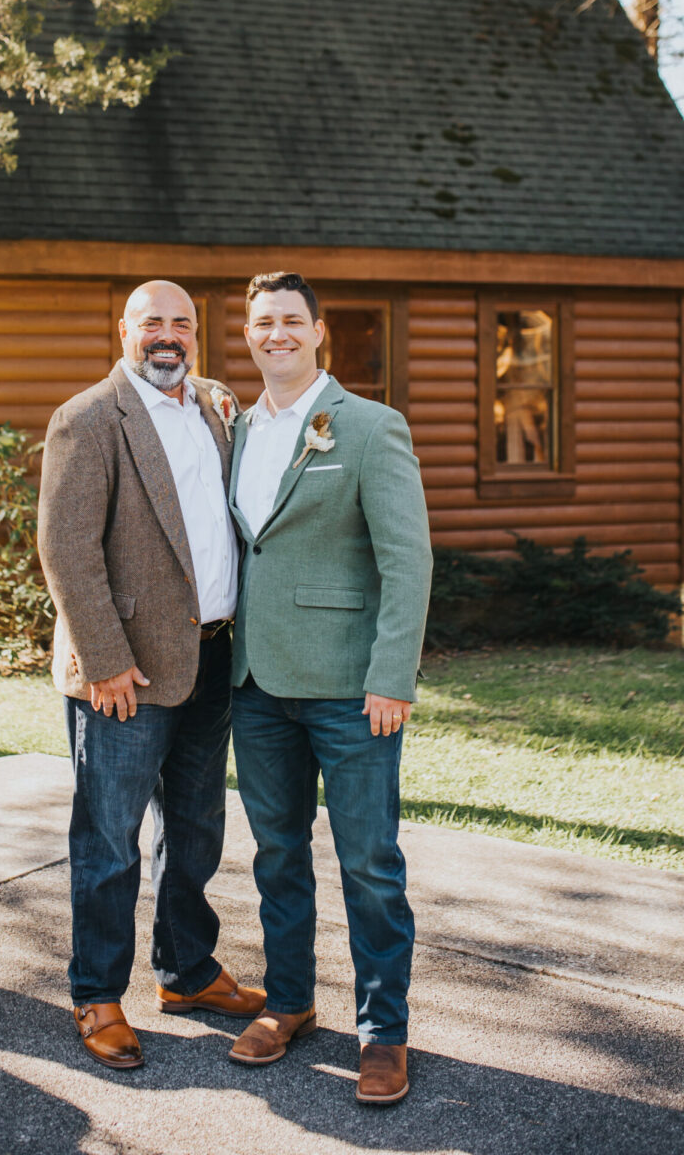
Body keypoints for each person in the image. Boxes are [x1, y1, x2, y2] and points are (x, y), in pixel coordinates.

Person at [37, 279, 265, 1071]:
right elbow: (67, 548)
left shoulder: (213, 408)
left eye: (182, 323)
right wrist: (103, 660)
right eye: (152, 322)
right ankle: (97, 993)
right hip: (123, 675)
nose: (167, 335)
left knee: (196, 831)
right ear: (125, 330)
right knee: (108, 842)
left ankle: (187, 973)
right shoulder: (90, 418)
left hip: (211, 659)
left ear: (196, 335)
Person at [226, 271, 432, 1105]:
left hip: (352, 688)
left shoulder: (371, 426)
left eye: (290, 321)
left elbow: (407, 559)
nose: (275, 333)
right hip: (254, 684)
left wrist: (392, 678)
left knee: (370, 865)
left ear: (318, 332)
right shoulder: (233, 430)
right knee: (278, 857)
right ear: (249, 335)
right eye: (261, 322)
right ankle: (289, 1003)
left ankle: (383, 1033)